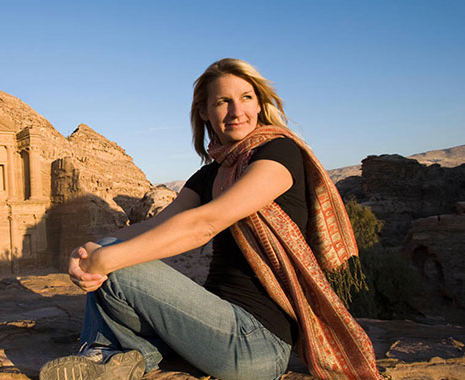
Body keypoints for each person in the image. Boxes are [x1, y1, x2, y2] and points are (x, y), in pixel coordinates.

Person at [39, 58, 382, 380]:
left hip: (258, 344)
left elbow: (206, 223)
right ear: (204, 111)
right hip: (210, 328)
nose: (236, 111)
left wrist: (108, 259)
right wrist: (90, 250)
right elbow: (158, 224)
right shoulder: (210, 175)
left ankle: (105, 354)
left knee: (116, 264)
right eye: (222, 102)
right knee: (109, 253)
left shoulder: (278, 154)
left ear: (260, 104)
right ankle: (130, 357)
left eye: (246, 98)